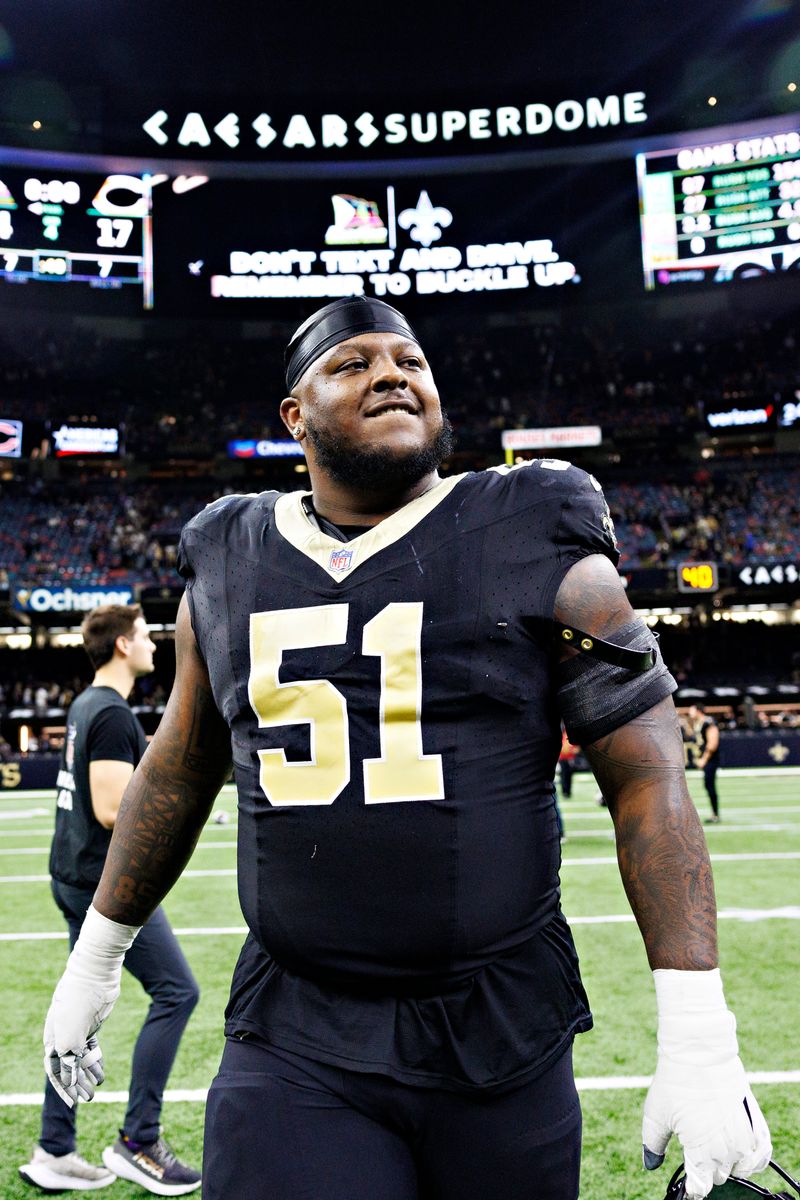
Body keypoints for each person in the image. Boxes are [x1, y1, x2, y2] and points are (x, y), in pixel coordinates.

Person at [42, 298, 771, 1200]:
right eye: (352, 364)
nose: (392, 373)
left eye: (410, 360)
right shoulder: (227, 554)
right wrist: (96, 961)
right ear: (294, 415)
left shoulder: (530, 520)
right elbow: (181, 767)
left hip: (500, 1023)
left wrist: (700, 1033)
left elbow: (647, 771)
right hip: (295, 1026)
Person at [20, 604, 202, 1195]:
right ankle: (138, 1141)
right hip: (105, 886)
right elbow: (110, 807)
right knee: (177, 992)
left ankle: (53, 1149)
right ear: (123, 645)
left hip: (74, 875)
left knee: (77, 1012)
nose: (154, 645)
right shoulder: (111, 712)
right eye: (147, 636)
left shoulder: (85, 703)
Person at [688, 703, 721, 824]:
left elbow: (712, 743)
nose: (690, 713)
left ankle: (716, 815)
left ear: (698, 711)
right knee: (708, 785)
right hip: (706, 758)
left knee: (710, 785)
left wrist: (704, 759)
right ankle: (714, 814)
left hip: (711, 759)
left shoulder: (708, 722)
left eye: (692, 710)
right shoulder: (698, 723)